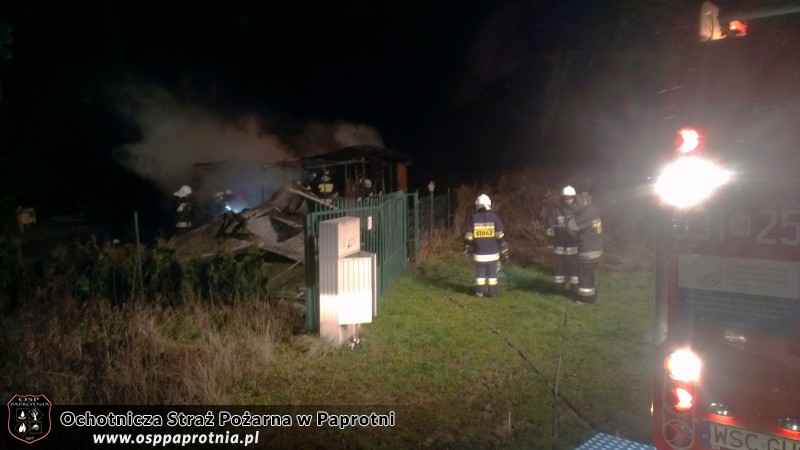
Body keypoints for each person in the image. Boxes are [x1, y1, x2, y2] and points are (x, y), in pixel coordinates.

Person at [464, 194, 510, 298]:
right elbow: (500, 236)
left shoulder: (474, 218)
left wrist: (467, 247)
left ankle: (479, 293)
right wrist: (504, 251)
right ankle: (493, 292)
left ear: (477, 205)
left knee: (480, 274)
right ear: (489, 204)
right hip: (493, 254)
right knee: (492, 274)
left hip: (479, 254)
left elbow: (469, 235)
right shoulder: (494, 217)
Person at [570, 191, 603, 304]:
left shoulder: (586, 214)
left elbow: (572, 226)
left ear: (584, 201)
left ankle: (585, 300)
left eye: (578, 201)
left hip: (588, 251)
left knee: (585, 275)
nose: (577, 204)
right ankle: (592, 297)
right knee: (590, 274)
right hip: (596, 249)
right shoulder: (592, 211)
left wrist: (568, 219)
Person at [545, 185, 579, 293]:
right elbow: (549, 228)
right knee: (559, 270)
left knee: (574, 271)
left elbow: (581, 228)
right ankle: (559, 290)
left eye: (570, 197)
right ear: (562, 198)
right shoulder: (556, 212)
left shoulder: (578, 211)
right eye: (566, 198)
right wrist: (557, 229)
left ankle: (574, 290)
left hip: (574, 246)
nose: (568, 200)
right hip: (559, 246)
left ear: (574, 198)